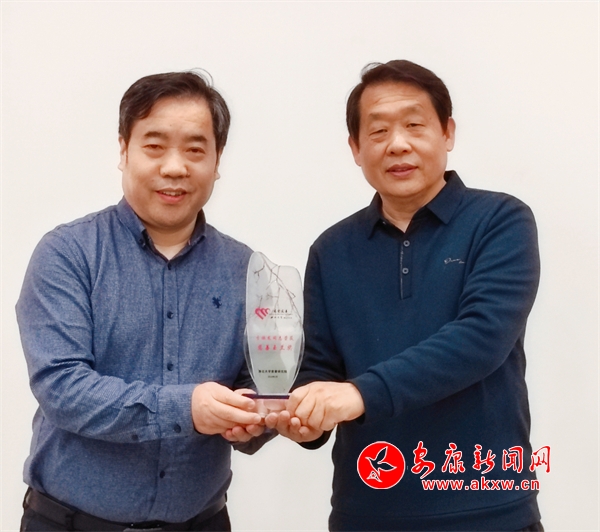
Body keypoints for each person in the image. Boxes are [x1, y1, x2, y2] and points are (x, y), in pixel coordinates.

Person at [268, 60, 543, 531]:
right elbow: (319, 368)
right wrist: (305, 418)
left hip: (488, 511)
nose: (397, 144)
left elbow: (481, 339)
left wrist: (359, 394)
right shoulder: (332, 249)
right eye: (378, 131)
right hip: (366, 512)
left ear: (447, 132)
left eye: (415, 125)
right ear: (356, 148)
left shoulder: (500, 221)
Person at [17, 71, 267, 532]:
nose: (174, 167)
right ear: (124, 150)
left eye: (195, 150)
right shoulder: (68, 254)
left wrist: (256, 417)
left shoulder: (246, 268)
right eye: (155, 146)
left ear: (217, 160)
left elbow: (256, 379)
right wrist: (187, 408)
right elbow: (63, 388)